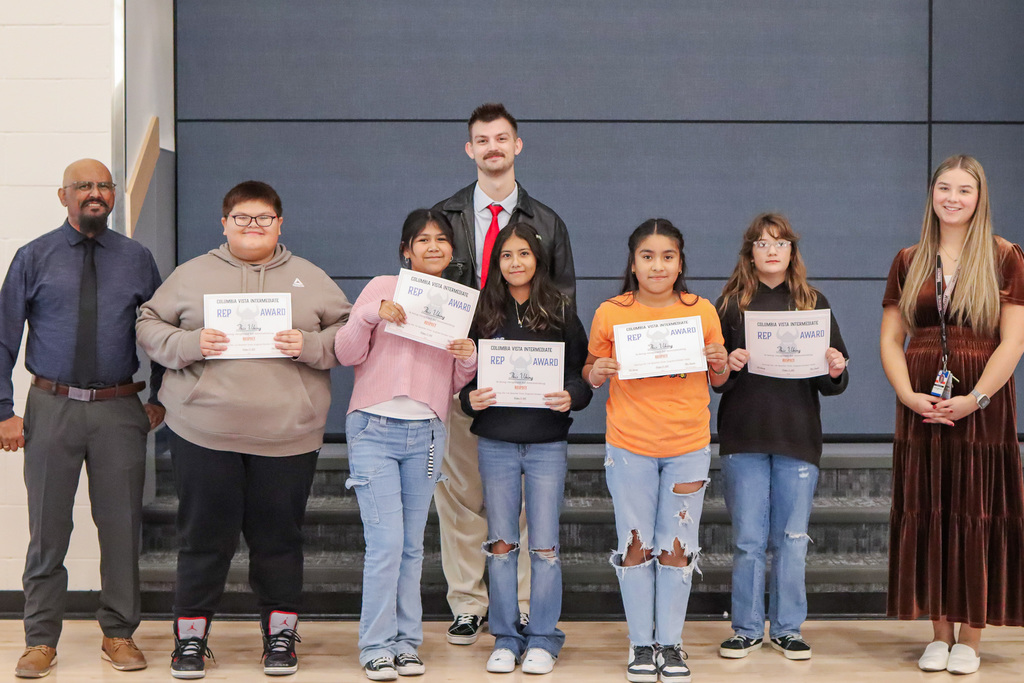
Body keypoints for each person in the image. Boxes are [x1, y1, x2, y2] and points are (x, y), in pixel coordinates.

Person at [136, 181, 351, 679]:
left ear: (280, 223)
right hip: (204, 431)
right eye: (242, 218)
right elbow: (147, 324)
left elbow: (350, 334)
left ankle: (280, 636)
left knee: (279, 538)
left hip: (288, 435)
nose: (253, 227)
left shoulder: (310, 278)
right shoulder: (192, 275)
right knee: (203, 538)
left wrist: (310, 343)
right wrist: (189, 343)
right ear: (224, 223)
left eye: (263, 219)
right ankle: (190, 640)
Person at [0, 159, 165, 678]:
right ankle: (40, 640)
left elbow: (163, 330)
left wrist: (159, 394)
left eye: (102, 186)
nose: (94, 194)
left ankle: (119, 635)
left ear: (113, 196)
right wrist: (4, 412)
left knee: (120, 528)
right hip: (50, 409)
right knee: (47, 529)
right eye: (83, 186)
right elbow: (3, 338)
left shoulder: (137, 258)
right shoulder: (33, 257)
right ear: (62, 195)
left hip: (119, 408)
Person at [432, 102, 576, 645]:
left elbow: (564, 306)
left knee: (517, 503)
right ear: (470, 150)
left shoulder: (548, 222)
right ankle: (468, 604)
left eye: (501, 138)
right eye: (481, 140)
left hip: (529, 387)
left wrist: (550, 381)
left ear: (518, 146)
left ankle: (515, 606)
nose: (492, 147)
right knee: (463, 493)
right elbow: (425, 290)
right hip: (462, 380)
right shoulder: (442, 218)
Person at [879, 154, 1024, 675]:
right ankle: (938, 631)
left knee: (975, 508)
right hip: (921, 402)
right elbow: (892, 339)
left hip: (981, 405)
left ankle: (973, 633)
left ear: (980, 197)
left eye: (965, 190)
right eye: (945, 188)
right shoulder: (909, 258)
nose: (953, 198)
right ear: (932, 195)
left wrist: (976, 398)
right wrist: (908, 395)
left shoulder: (1005, 256)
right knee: (930, 506)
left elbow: (1013, 341)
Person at [335, 209, 477, 681]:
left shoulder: (459, 302)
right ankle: (375, 644)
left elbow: (455, 383)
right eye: (423, 240)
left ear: (451, 250)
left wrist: (468, 357)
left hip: (429, 432)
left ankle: (407, 643)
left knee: (413, 546)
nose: (433, 247)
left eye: (442, 240)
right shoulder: (381, 287)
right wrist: (370, 316)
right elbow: (346, 352)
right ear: (406, 250)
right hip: (374, 427)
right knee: (386, 543)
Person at [584, 219, 729, 683]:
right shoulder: (611, 311)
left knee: (677, 549)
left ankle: (671, 642)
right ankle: (640, 644)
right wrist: (597, 370)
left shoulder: (701, 310)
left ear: (680, 261)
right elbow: (590, 371)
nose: (658, 265)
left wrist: (721, 364)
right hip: (629, 446)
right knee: (635, 546)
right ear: (633, 262)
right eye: (648, 256)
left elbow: (720, 379)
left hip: (688, 445)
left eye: (668, 256)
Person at [713, 213, 849, 661]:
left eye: (781, 242)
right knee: (749, 540)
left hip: (798, 437)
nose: (771, 250)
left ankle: (788, 628)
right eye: (762, 243)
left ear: (792, 251)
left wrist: (834, 367)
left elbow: (834, 381)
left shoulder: (813, 302)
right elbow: (712, 380)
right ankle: (748, 628)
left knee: (792, 539)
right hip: (743, 437)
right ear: (749, 252)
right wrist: (726, 366)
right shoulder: (730, 305)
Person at [460, 223, 592, 675]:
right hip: (495, 440)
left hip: (546, 443)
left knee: (546, 547)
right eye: (505, 256)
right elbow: (464, 380)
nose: (515, 263)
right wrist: (468, 399)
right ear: (495, 264)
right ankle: (506, 635)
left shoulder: (560, 310)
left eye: (523, 254)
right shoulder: (483, 312)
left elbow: (580, 377)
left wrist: (571, 396)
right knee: (500, 544)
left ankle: (543, 636)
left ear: (538, 259)